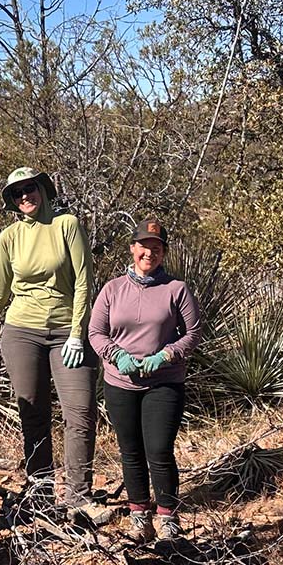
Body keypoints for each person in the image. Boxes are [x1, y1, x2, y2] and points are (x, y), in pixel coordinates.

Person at [0, 167, 102, 520]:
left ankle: (79, 496)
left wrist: (76, 333)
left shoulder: (66, 225)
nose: (26, 196)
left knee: (80, 413)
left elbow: (84, 282)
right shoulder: (8, 237)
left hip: (67, 331)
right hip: (21, 331)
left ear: (43, 189)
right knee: (32, 412)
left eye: (31, 188)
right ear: (12, 200)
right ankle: (39, 495)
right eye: (18, 192)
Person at [88, 220, 201, 542]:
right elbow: (96, 332)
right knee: (130, 449)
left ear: (163, 252)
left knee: (159, 449)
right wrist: (116, 356)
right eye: (144, 245)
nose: (149, 252)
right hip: (120, 381)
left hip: (163, 382)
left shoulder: (176, 289)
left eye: (157, 247)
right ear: (132, 248)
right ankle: (139, 514)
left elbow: (193, 333)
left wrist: (165, 355)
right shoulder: (112, 289)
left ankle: (167, 515)